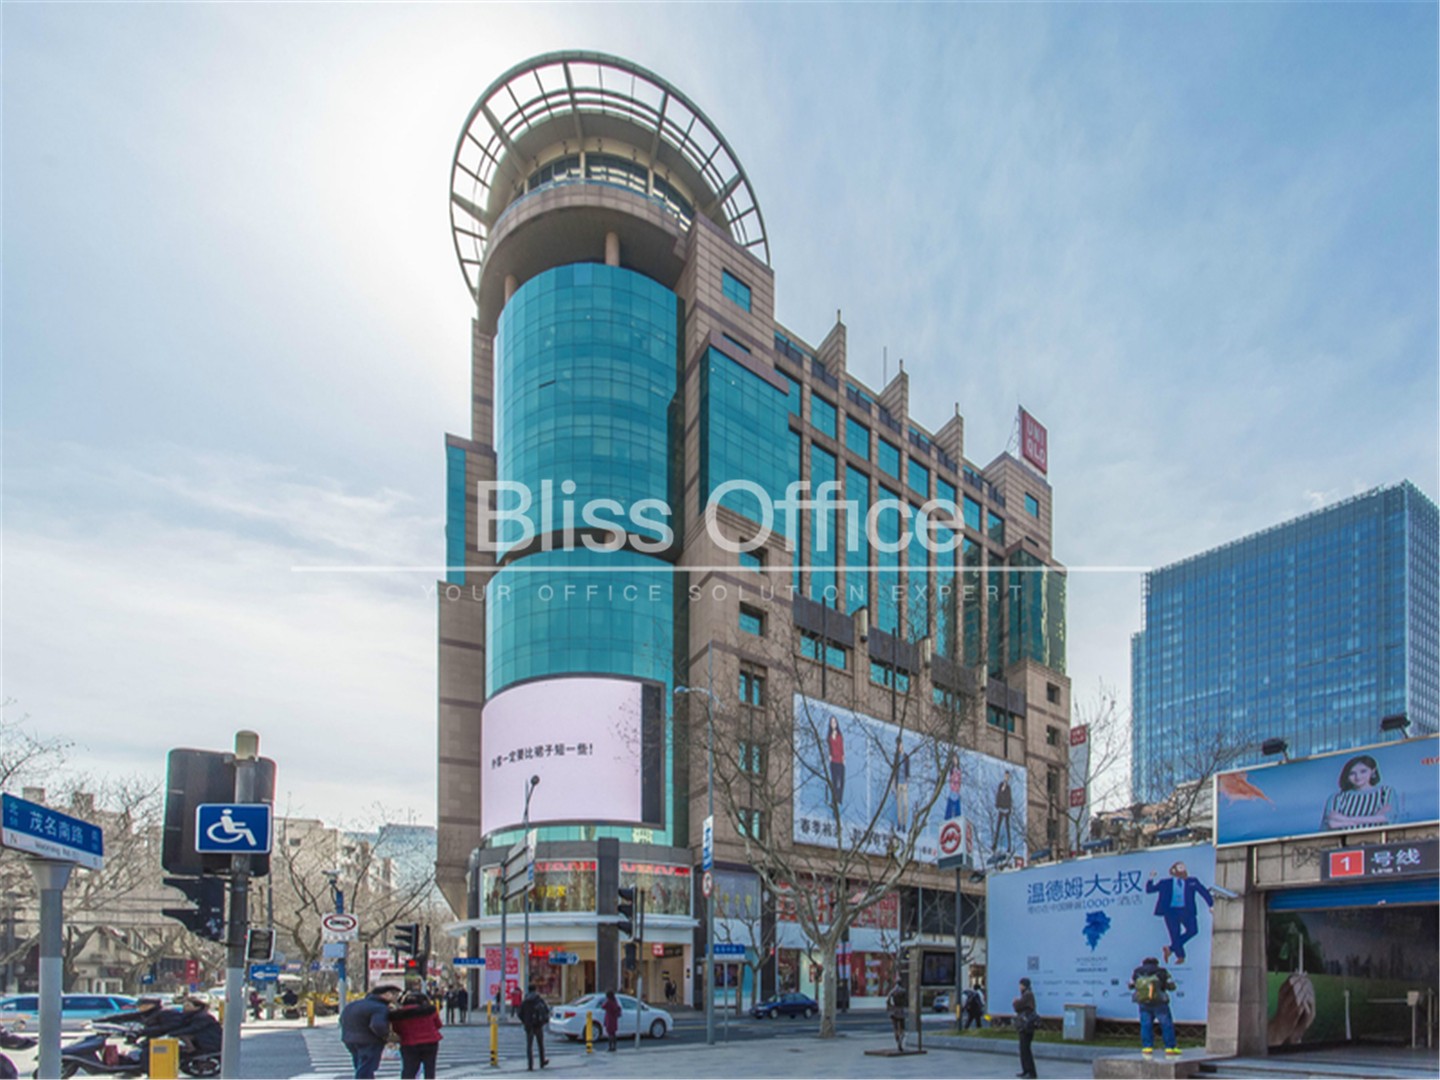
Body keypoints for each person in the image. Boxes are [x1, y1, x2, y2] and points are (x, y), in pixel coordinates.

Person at [1146, 861, 1214, 965]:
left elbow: (1203, 892)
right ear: (1173, 870)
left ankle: (1171, 949)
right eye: (1180, 867)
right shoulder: (1165, 882)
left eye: (1183, 867)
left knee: (1193, 930)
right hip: (1171, 911)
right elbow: (1150, 890)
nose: (1183, 870)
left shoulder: (1192, 881)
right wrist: (1151, 878)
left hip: (1187, 910)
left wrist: (1211, 905)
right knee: (1174, 934)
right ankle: (1180, 956)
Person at [340, 983, 400, 1079]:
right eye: (395, 995)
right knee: (367, 1068)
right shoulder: (379, 1007)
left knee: (360, 1066)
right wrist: (386, 1036)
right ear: (387, 994)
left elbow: (342, 1019)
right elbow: (377, 1025)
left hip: (349, 1039)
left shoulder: (354, 1004)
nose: (395, 998)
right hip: (370, 1041)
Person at [1322, 754, 1397, 830]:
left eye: (1363, 771)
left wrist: (1344, 820)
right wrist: (1375, 818)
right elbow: (1331, 825)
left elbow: (1387, 818)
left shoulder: (1385, 792)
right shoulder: (1337, 798)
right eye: (1352, 773)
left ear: (1373, 771)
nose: (1358, 777)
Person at [1129, 956, 1179, 1057]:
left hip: (1143, 1002)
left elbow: (1131, 985)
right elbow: (1171, 986)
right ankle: (1170, 1048)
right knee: (1166, 1024)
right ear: (1156, 963)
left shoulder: (1137, 972)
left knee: (1145, 1024)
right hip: (1159, 1002)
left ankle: (1147, 1047)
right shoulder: (1161, 971)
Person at [389, 988, 443, 1079]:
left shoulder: (398, 1014)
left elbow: (396, 1029)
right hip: (430, 1043)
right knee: (429, 1069)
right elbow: (438, 1025)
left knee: (409, 1069)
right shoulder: (430, 1011)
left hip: (409, 1044)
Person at [518, 988, 551, 1070]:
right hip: (538, 1025)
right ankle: (542, 1061)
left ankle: (530, 1065)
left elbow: (520, 1013)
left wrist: (525, 1021)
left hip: (529, 1025)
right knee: (540, 1044)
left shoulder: (525, 1001)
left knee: (529, 1046)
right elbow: (546, 1010)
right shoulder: (539, 1000)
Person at [1012, 977, 1038, 1079]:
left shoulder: (1028, 995)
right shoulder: (1026, 995)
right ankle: (1026, 1070)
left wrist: (1015, 1002)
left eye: (1021, 985)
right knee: (1023, 1049)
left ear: (1024, 985)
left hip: (1027, 1026)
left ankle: (1030, 1072)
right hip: (1025, 1026)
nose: (1019, 987)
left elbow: (1018, 1006)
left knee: (1025, 1049)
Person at [827, 716, 846, 808]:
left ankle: (839, 799)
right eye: (832, 722)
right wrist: (830, 756)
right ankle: (833, 800)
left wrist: (843, 759)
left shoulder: (839, 736)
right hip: (833, 761)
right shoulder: (829, 737)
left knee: (841, 781)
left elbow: (842, 748)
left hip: (840, 761)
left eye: (834, 722)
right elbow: (830, 748)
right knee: (834, 781)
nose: (833, 724)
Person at [994, 771, 1013, 852]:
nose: (1006, 778)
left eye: (1008, 776)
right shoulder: (1001, 785)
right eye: (1006, 776)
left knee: (1007, 828)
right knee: (998, 827)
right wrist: (997, 805)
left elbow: (1009, 798)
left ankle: (1009, 846)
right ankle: (995, 844)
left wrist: (1009, 809)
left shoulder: (1008, 788)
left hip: (1006, 809)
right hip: (1001, 808)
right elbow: (999, 794)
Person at [886, 982, 907, 1052]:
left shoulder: (892, 992)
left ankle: (898, 1040)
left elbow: (888, 1001)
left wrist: (889, 1008)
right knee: (902, 1028)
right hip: (901, 1011)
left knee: (895, 1028)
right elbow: (905, 1001)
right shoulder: (903, 991)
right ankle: (900, 1041)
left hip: (894, 1011)